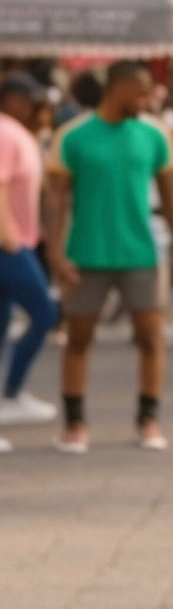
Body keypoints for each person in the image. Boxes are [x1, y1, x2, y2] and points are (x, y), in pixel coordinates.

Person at [44, 61, 173, 454]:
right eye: (141, 92)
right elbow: (55, 199)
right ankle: (74, 423)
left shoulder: (154, 134)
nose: (148, 100)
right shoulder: (72, 136)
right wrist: (55, 252)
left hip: (140, 252)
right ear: (119, 88)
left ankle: (149, 417)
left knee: (150, 338)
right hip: (85, 253)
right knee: (78, 338)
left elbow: (172, 195)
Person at [0, 74, 58, 441]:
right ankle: (11, 392)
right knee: (44, 312)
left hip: (18, 241)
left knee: (3, 323)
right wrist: (9, 239)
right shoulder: (5, 130)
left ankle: (11, 393)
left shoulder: (18, 131)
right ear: (16, 100)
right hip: (10, 245)